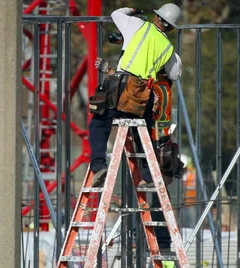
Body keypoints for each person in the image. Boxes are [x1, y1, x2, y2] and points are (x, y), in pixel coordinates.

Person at [88, 3, 183, 252]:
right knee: (144, 142)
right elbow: (175, 73)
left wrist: (131, 10)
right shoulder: (168, 47)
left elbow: (115, 14)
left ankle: (99, 165)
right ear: (171, 28)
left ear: (156, 17)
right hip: (143, 96)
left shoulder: (136, 25)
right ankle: (149, 177)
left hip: (121, 88)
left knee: (99, 123)